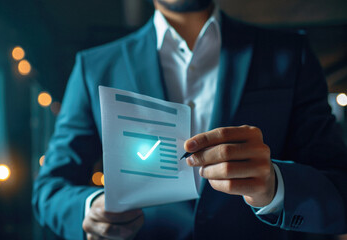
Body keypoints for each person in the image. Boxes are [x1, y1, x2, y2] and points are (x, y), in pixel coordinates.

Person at [32, 0, 347, 239]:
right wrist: (92, 208)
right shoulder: (95, 67)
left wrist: (275, 186)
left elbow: (339, 187)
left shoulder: (290, 55)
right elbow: (50, 187)